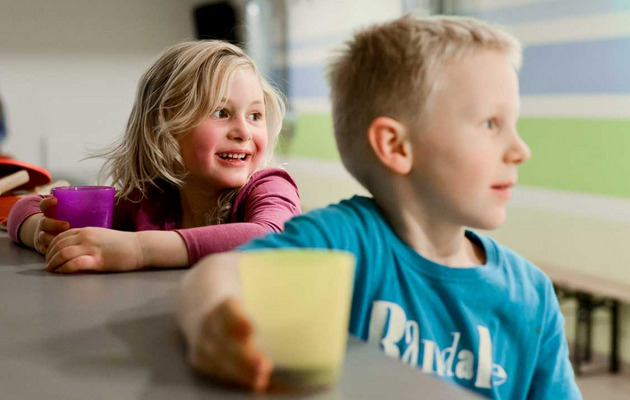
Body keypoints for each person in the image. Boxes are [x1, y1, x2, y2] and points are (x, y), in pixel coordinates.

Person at [175, 15, 582, 399]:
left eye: (514, 125)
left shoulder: (532, 297)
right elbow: (217, 274)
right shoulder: (345, 242)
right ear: (395, 146)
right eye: (491, 124)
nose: (521, 150)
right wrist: (211, 324)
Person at [7, 40, 301, 273]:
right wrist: (41, 234)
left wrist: (139, 249)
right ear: (165, 128)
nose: (243, 131)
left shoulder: (269, 187)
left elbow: (271, 237)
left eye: (254, 115)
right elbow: (26, 207)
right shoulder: (151, 201)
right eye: (221, 113)